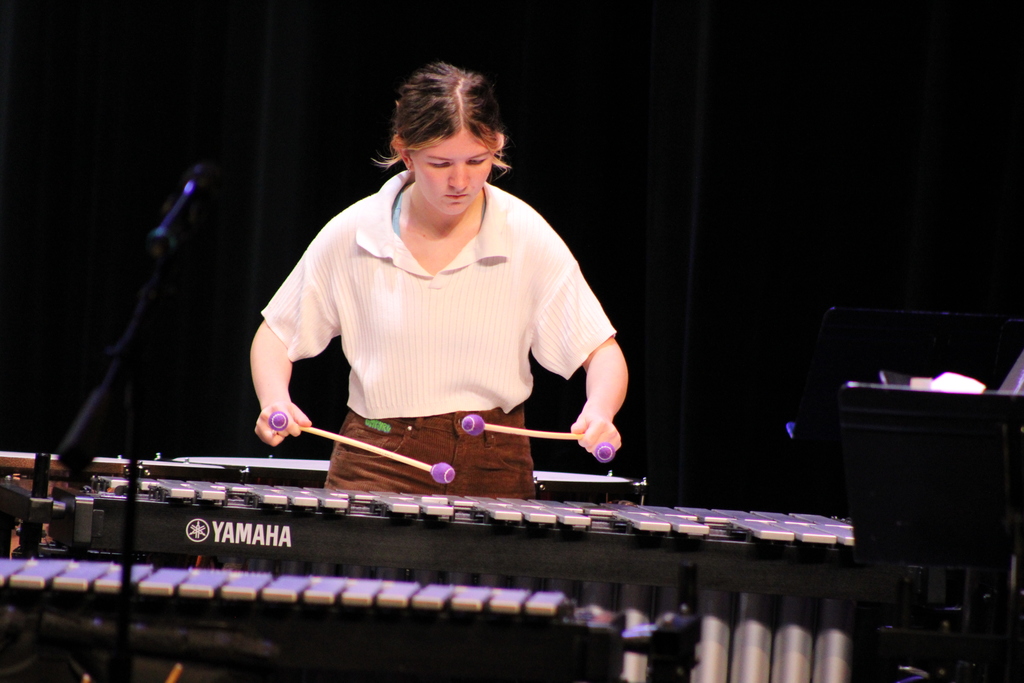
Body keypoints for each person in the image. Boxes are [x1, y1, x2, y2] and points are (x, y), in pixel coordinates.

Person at [250, 62, 627, 498]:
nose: (460, 181)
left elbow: (601, 351)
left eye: (477, 160)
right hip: (378, 461)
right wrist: (274, 399)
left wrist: (600, 409)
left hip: (495, 463)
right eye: (441, 163)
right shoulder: (355, 232)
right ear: (405, 152)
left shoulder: (523, 233)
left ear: (497, 147)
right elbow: (276, 335)